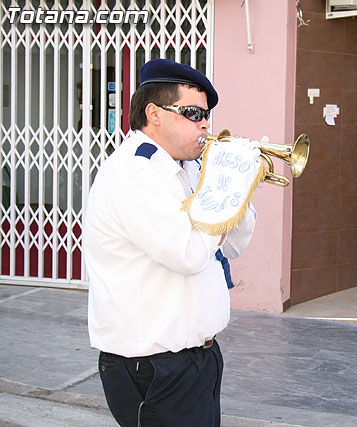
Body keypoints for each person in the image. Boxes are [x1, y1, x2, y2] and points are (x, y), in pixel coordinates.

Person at [83, 58, 257, 427]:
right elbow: (187, 254)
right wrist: (217, 208)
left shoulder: (186, 168)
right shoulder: (135, 172)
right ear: (154, 113)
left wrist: (237, 186)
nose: (205, 124)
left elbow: (230, 247)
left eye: (207, 114)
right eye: (193, 113)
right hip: (155, 366)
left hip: (195, 358)